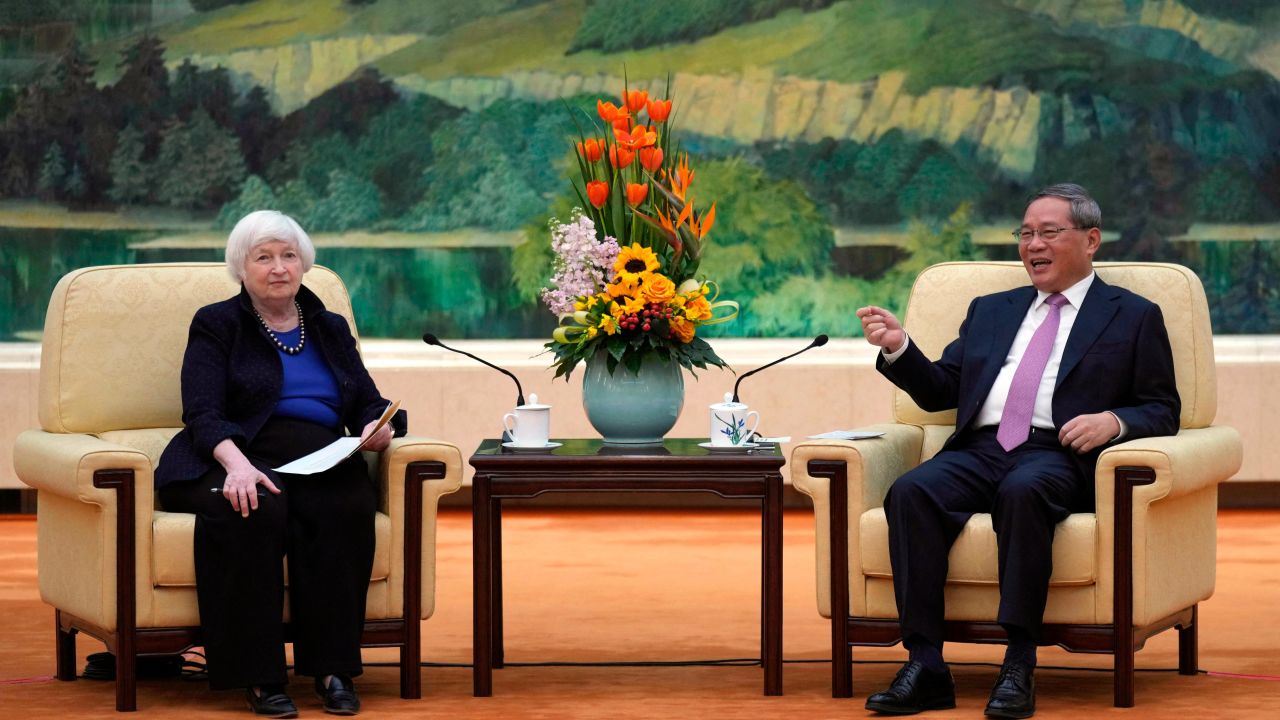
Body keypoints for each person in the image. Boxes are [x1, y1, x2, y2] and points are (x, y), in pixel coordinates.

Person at [854, 184, 1180, 718]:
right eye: (1025, 234)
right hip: (980, 447)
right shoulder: (991, 310)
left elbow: (1163, 407)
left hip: (1056, 454)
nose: (1033, 244)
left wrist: (1113, 422)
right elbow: (941, 390)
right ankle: (926, 664)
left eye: (1049, 232)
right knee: (911, 492)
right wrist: (900, 349)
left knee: (1022, 491)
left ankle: (1019, 662)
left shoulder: (1133, 314)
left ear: (1091, 239)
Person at [155, 210, 406, 718]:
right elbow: (201, 410)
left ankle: (333, 670)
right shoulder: (217, 323)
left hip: (318, 456)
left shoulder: (330, 327)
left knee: (345, 506)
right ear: (241, 267)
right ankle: (260, 677)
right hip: (239, 452)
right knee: (252, 510)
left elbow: (367, 401)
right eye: (263, 257)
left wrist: (377, 429)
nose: (278, 268)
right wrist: (237, 467)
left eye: (288, 255)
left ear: (303, 264)